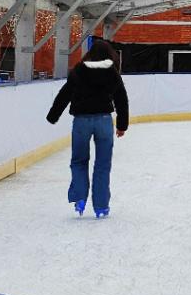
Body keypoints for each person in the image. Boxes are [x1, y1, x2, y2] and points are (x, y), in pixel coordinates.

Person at [46, 37, 129, 218]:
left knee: (79, 161)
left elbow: (64, 94)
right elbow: (121, 100)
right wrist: (122, 125)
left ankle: (80, 198)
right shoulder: (112, 73)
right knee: (102, 164)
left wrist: (53, 116)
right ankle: (101, 206)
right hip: (104, 121)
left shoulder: (79, 71)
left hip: (81, 121)